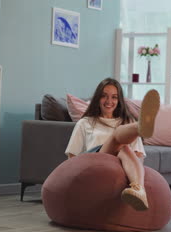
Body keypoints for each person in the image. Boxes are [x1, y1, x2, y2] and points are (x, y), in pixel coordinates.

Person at [65, 78, 160, 211]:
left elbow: (139, 156)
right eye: (104, 96)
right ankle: (140, 127)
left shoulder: (126, 121)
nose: (109, 101)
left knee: (124, 147)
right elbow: (72, 157)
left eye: (114, 97)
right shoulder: (85, 122)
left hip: (120, 166)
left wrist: (133, 171)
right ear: (98, 98)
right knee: (118, 138)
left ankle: (139, 190)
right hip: (95, 164)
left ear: (119, 100)